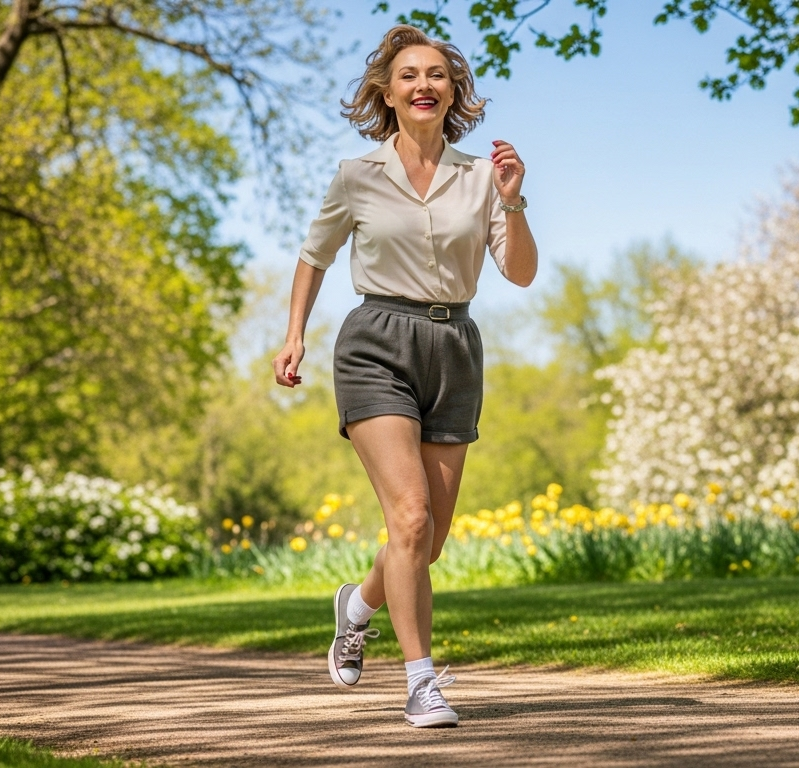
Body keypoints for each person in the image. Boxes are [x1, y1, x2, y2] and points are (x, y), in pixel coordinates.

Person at [272, 24, 537, 728]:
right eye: (409, 76)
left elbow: (520, 272)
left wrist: (512, 196)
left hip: (455, 347)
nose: (424, 85)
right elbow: (314, 255)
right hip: (377, 344)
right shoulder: (356, 175)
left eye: (437, 76)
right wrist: (295, 333)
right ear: (386, 94)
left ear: (453, 93)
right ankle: (422, 681)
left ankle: (356, 606)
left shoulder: (482, 175)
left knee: (427, 539)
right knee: (410, 517)